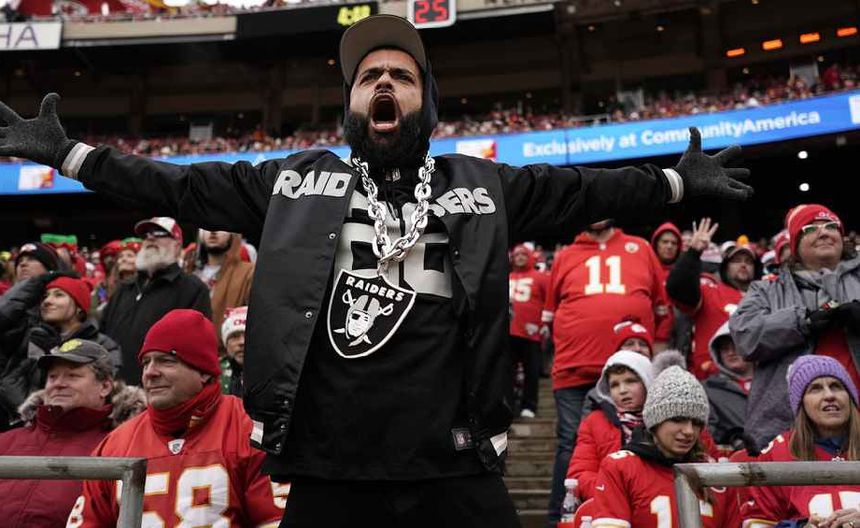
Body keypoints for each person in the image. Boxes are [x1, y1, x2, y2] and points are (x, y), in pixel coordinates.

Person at [0, 15, 752, 526]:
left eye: (402, 75)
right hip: (331, 471)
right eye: (369, 77)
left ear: (427, 104)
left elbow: (584, 191)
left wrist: (673, 183)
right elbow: (180, 187)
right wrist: (72, 156)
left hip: (455, 466)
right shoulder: (294, 183)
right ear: (352, 105)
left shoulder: (481, 185)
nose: (384, 84)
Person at [65, 309, 286, 528]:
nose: (150, 372)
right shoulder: (115, 445)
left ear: (204, 371)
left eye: (166, 361)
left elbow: (276, 520)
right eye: (146, 362)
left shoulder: (248, 429)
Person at [542, 219, 673, 521]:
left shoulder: (640, 247)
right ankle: (562, 518)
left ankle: (637, 511)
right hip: (575, 367)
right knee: (571, 444)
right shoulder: (565, 255)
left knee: (637, 438)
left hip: (631, 372)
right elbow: (549, 312)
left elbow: (661, 308)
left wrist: (656, 360)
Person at [731, 204, 860, 449]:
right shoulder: (767, 288)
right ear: (795, 246)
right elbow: (744, 336)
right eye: (811, 229)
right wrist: (801, 322)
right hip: (788, 429)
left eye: (831, 226)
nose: (824, 232)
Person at [0, 339, 144, 527]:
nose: (58, 384)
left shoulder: (120, 446)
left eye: (72, 376)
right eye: (52, 377)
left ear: (105, 387)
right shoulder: (7, 441)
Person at [591, 366, 725, 527]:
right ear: (655, 423)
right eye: (678, 420)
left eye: (697, 423)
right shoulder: (621, 467)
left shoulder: (717, 475)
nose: (689, 431)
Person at [741, 355, 860, 527]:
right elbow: (756, 523)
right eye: (815, 389)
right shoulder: (777, 453)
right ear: (800, 403)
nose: (829, 395)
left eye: (837, 386)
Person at [101, 217, 211, 383]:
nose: (151, 238)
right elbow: (104, 335)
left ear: (177, 245)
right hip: (115, 386)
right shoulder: (125, 288)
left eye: (160, 233)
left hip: (160, 387)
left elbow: (196, 346)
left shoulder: (192, 289)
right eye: (146, 235)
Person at [0, 276, 122, 420]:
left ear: (79, 307)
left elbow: (105, 390)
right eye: (45, 296)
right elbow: (8, 382)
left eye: (58, 295)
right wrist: (35, 413)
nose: (47, 301)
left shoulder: (104, 345)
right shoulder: (32, 337)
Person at [667, 217, 757, 379]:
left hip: (756, 381)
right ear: (725, 267)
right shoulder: (710, 291)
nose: (743, 265)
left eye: (748, 261)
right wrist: (693, 252)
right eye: (737, 261)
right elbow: (677, 288)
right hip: (711, 380)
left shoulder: (765, 297)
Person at [566, 350, 654, 501]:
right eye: (614, 385)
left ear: (647, 381)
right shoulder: (594, 422)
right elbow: (580, 474)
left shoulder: (667, 420)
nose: (622, 390)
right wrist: (613, 493)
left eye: (631, 381)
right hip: (610, 505)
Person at [191, 229, 254, 345]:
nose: (212, 231)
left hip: (227, 349)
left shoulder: (248, 272)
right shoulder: (189, 271)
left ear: (233, 235)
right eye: (206, 227)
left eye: (220, 227)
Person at [509, 243, 549, 418]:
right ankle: (508, 405)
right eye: (517, 255)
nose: (520, 257)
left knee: (531, 371)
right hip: (508, 332)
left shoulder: (540, 277)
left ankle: (529, 405)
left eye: (523, 254)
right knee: (506, 372)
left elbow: (549, 301)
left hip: (531, 332)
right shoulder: (506, 277)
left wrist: (545, 324)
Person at [704, 321, 753, 449]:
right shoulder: (708, 390)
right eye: (725, 348)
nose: (731, 352)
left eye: (736, 346)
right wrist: (732, 438)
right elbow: (708, 432)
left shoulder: (775, 383)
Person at [220, 305, 246, 395]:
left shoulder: (271, 374)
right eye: (235, 336)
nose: (242, 342)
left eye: (248, 335)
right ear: (226, 344)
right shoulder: (214, 375)